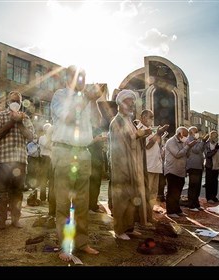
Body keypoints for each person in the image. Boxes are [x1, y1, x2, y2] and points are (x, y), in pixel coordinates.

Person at [51, 65, 99, 261]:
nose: (82, 82)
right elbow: (68, 118)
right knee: (63, 202)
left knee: (82, 202)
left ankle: (82, 242)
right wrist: (87, 98)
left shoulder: (86, 99)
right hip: (63, 151)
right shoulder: (60, 95)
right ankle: (65, 245)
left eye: (84, 78)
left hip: (84, 153)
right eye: (78, 78)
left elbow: (97, 122)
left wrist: (94, 101)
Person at [109, 90, 151, 240]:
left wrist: (141, 135)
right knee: (122, 199)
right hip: (122, 165)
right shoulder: (117, 121)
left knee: (133, 197)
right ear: (120, 103)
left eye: (132, 102)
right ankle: (119, 230)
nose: (131, 104)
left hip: (133, 164)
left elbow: (133, 139)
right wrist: (139, 134)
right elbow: (120, 144)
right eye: (128, 101)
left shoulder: (128, 120)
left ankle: (129, 227)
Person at [0, 91, 34, 229]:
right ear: (8, 102)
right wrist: (12, 121)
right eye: (12, 100)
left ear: (21, 103)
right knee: (2, 192)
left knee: (17, 191)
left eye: (18, 100)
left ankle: (15, 219)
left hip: (20, 160)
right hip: (3, 160)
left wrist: (20, 122)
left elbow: (30, 137)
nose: (15, 103)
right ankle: (2, 221)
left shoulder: (25, 118)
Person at [137, 109, 169, 212]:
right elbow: (147, 145)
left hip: (155, 165)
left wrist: (160, 134)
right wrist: (158, 133)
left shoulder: (150, 129)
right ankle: (144, 215)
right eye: (150, 117)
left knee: (153, 193)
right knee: (147, 191)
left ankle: (149, 213)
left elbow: (156, 145)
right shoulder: (140, 129)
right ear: (143, 117)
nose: (152, 119)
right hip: (148, 165)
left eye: (152, 117)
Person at [164, 127, 197, 218]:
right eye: (185, 135)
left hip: (181, 171)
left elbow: (187, 155)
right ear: (179, 134)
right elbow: (177, 154)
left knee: (178, 192)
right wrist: (188, 146)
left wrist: (189, 147)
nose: (186, 137)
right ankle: (170, 211)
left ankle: (177, 209)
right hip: (172, 170)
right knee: (171, 192)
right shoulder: (171, 142)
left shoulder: (184, 142)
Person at [185, 126, 208, 211]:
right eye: (196, 131)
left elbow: (202, 150)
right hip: (193, 165)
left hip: (198, 165)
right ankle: (191, 205)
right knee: (193, 186)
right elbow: (196, 150)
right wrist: (203, 141)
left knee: (198, 186)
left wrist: (203, 142)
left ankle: (196, 203)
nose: (198, 133)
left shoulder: (197, 140)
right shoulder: (189, 140)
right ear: (191, 132)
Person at [204, 130, 219, 203]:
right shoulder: (207, 144)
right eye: (215, 136)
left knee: (215, 182)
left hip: (216, 165)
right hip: (210, 166)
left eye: (217, 136)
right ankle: (209, 197)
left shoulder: (216, 143)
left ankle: (214, 196)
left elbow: (217, 155)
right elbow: (208, 155)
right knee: (209, 182)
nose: (216, 138)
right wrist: (216, 149)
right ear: (211, 137)